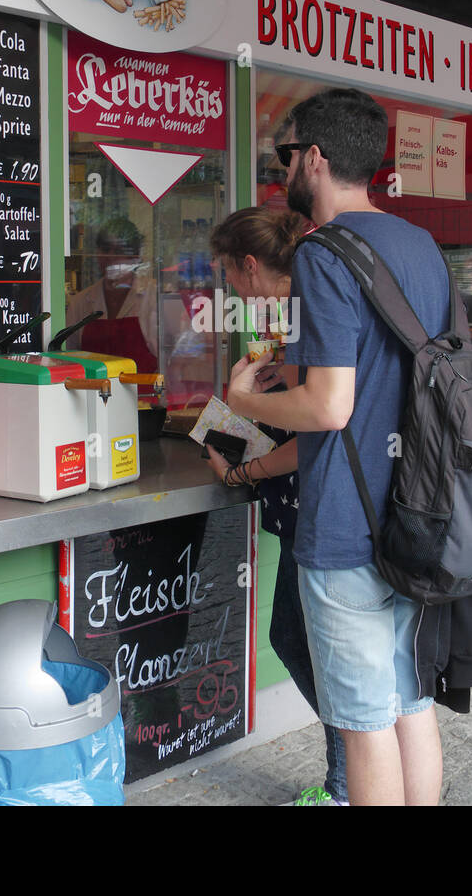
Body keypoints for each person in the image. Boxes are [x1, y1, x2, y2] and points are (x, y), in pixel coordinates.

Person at [225, 88, 448, 806]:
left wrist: (242, 401)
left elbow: (330, 405)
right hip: (418, 515)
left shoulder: (322, 254)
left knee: (362, 721)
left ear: (315, 158)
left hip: (349, 526)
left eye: (287, 153)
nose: (282, 166)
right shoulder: (421, 245)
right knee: (412, 701)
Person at [204, 205, 349, 807]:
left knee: (305, 642)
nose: (229, 289)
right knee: (308, 642)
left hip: (322, 513)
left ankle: (348, 781)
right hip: (321, 512)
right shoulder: (309, 308)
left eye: (228, 275)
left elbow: (318, 429)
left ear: (249, 266)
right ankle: (354, 772)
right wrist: (278, 383)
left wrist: (241, 461)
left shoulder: (316, 308)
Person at [64, 216, 159, 373]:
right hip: (94, 394)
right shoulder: (80, 302)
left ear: (136, 257)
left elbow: (169, 357)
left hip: (144, 395)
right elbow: (69, 360)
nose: (111, 257)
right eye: (106, 249)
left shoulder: (153, 295)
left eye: (119, 251)